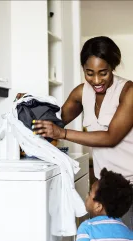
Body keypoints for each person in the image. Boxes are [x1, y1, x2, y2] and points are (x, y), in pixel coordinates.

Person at [19, 36, 133, 228]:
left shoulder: (128, 92)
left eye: (103, 73)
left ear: (113, 66)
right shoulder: (81, 93)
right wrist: (29, 103)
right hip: (104, 187)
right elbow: (55, 120)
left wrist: (61, 134)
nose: (96, 80)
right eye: (89, 73)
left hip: (130, 186)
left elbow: (111, 138)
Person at [74, 168, 133, 241]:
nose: (86, 196)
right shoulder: (129, 232)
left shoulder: (87, 226)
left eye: (89, 194)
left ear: (98, 206)